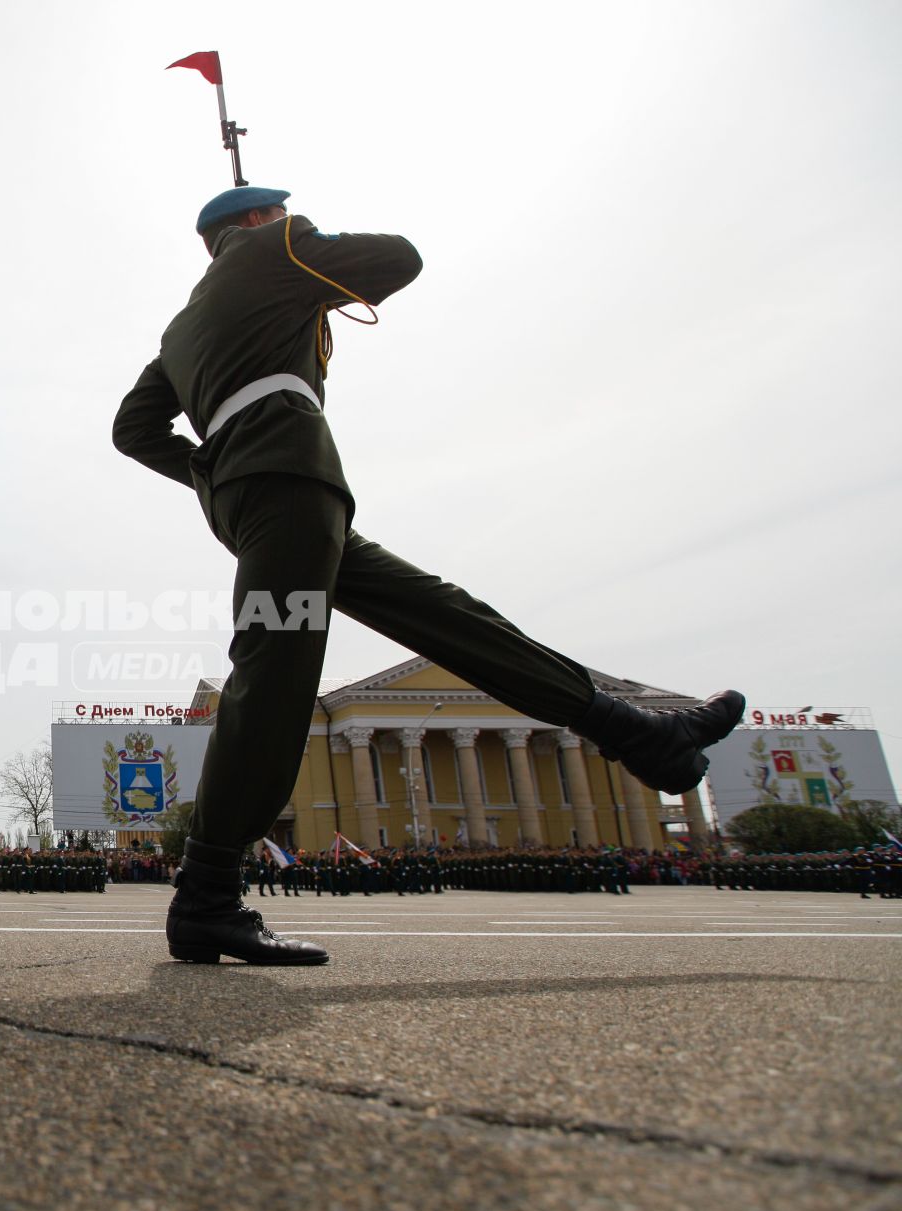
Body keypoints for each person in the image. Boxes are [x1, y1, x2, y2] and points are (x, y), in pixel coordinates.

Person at [111, 186, 745, 967]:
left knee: (450, 618)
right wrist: (302, 248)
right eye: (277, 212)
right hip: (289, 485)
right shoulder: (277, 248)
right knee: (273, 672)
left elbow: (133, 430)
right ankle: (206, 896)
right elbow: (396, 257)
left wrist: (214, 474)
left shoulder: (181, 328)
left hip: (272, 499)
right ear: (251, 222)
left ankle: (640, 734)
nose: (285, 218)